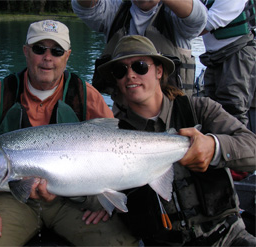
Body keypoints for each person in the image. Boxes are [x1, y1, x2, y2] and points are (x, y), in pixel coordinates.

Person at [0, 20, 137, 247]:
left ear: (67, 56)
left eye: (57, 50)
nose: (47, 57)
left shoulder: (86, 95)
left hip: (74, 202)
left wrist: (104, 197)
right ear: (26, 51)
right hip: (11, 200)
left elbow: (117, 151)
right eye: (39, 49)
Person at [97, 35, 256, 246]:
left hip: (229, 237)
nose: (130, 75)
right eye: (121, 70)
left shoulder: (201, 110)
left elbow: (252, 148)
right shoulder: (109, 135)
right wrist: (93, 200)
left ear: (159, 71)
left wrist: (215, 147)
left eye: (140, 66)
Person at [72, 0, 207, 102]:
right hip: (125, 114)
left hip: (174, 110)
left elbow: (198, 17)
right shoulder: (115, 10)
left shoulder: (177, 14)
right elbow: (84, 8)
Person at [199, 0, 256, 134]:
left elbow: (211, 21)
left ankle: (240, 150)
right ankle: (218, 148)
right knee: (212, 109)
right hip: (215, 57)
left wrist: (182, 30)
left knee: (233, 108)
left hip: (236, 53)